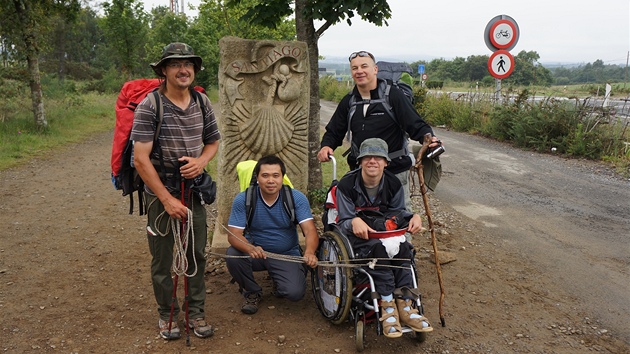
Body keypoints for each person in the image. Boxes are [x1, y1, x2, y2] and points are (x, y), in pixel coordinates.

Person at [131, 42, 220, 340]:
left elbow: (213, 142)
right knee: (163, 258)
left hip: (192, 190)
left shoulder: (202, 103)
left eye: (188, 64)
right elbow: (141, 159)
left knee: (195, 252)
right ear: (164, 71)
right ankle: (165, 315)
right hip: (160, 194)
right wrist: (167, 200)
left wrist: (201, 162)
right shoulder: (150, 106)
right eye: (175, 64)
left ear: (194, 70)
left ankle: (196, 312)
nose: (183, 69)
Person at [317, 50, 441, 210]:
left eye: (364, 66)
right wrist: (327, 145)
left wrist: (429, 138)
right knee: (364, 216)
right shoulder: (350, 100)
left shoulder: (393, 95)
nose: (359, 71)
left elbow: (415, 123)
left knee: (399, 217)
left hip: (394, 169)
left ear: (375, 69)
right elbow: (334, 130)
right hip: (361, 172)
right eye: (354, 68)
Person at [335, 138, 433, 338]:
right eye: (367, 157)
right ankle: (388, 305)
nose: (373, 161)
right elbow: (343, 221)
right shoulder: (346, 185)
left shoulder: (393, 183)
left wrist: (414, 217)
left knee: (405, 249)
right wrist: (353, 221)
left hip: (385, 233)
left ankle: (406, 305)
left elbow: (399, 213)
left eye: (378, 158)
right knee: (378, 251)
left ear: (386, 162)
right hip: (359, 239)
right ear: (360, 161)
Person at [225, 155, 319, 315]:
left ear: (282, 177)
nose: (270, 180)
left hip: (286, 254)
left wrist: (310, 252)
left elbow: (310, 230)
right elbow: (233, 234)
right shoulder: (244, 199)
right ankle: (252, 291)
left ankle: (284, 277)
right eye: (265, 175)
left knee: (294, 293)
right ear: (257, 177)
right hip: (256, 254)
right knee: (233, 255)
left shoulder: (296, 198)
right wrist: (249, 247)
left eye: (276, 175)